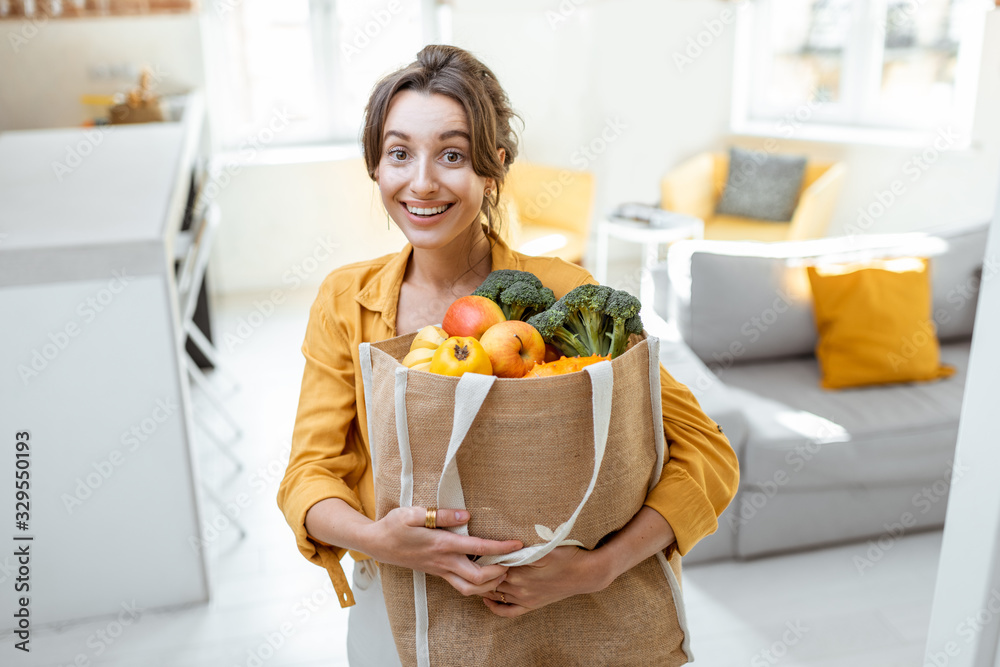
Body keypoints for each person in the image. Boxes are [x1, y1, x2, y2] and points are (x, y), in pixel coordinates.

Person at [277, 44, 740, 666]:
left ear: (493, 165)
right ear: (375, 167)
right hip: (397, 608)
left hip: (565, 617)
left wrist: (597, 569)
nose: (421, 181)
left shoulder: (563, 291)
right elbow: (309, 477)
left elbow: (706, 452)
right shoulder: (345, 300)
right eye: (398, 153)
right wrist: (383, 541)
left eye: (452, 154)